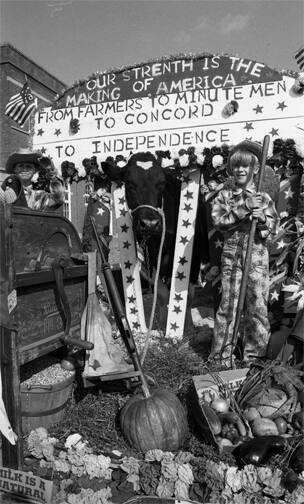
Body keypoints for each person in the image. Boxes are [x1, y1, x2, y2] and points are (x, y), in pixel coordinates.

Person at [209, 140, 279, 367]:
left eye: (246, 166)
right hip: (231, 257)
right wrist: (244, 208)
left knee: (257, 306)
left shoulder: (264, 198)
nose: (240, 170)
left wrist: (261, 220)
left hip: (257, 256)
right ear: (231, 168)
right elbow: (219, 221)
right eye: (237, 165)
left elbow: (272, 230)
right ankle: (221, 357)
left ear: (254, 169)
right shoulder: (224, 196)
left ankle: (255, 357)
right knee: (228, 305)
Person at [0, 148, 65, 211]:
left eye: (28, 166)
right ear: (15, 169)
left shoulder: (40, 197)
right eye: (21, 166)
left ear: (35, 170)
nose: (24, 169)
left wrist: (52, 173)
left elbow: (59, 199)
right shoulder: (5, 190)